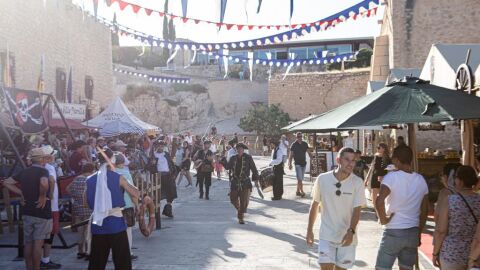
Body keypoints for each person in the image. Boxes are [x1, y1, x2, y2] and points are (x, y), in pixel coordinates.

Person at [306, 147, 366, 270]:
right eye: (347, 159)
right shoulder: (322, 179)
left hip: (348, 236)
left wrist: (351, 231)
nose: (350, 164)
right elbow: (314, 205)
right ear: (338, 160)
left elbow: (357, 210)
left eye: (353, 160)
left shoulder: (357, 182)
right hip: (327, 235)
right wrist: (309, 230)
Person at [375, 146, 429, 270]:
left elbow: (379, 201)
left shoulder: (392, 177)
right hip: (412, 231)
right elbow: (425, 211)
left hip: (394, 230)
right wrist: (419, 232)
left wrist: (383, 220)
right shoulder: (421, 179)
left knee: (382, 268)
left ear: (396, 160)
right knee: (406, 267)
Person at [86, 148, 139, 270]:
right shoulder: (119, 177)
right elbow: (135, 193)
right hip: (116, 225)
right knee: (122, 262)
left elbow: (86, 201)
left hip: (98, 224)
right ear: (112, 160)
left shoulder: (89, 180)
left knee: (96, 263)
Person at [3, 148, 52, 270]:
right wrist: (42, 195)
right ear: (41, 159)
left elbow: (6, 182)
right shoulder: (43, 171)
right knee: (38, 243)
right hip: (41, 211)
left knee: (28, 242)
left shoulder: (24, 171)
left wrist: (22, 193)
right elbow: (44, 182)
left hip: (26, 211)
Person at [432, 165, 480, 269]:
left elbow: (441, 231)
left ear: (460, 181)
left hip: (452, 254)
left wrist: (435, 253)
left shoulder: (450, 200)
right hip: (475, 254)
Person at [66, 163, 95, 260]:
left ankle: (80, 251)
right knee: (88, 231)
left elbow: (67, 189)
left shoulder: (77, 179)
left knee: (80, 231)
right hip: (88, 209)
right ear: (92, 170)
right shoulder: (91, 179)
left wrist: (75, 196)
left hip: (77, 209)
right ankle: (88, 251)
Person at [113, 153, 139, 261]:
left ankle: (112, 253)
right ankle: (128, 252)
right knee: (128, 229)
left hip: (113, 206)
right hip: (126, 204)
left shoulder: (109, 173)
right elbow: (132, 191)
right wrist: (136, 205)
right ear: (122, 163)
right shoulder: (125, 173)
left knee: (114, 231)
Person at [226, 143, 259, 224]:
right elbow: (227, 167)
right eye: (238, 149)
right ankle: (240, 209)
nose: (239, 150)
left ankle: (240, 218)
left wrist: (256, 180)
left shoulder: (248, 157)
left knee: (243, 201)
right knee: (232, 199)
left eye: (241, 149)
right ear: (236, 150)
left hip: (245, 182)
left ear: (243, 150)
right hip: (235, 181)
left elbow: (254, 169)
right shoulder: (233, 158)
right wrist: (222, 159)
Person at [40, 145, 62, 269]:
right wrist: (50, 194)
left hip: (42, 204)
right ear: (48, 157)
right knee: (50, 234)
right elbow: (52, 181)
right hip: (51, 206)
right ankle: (46, 260)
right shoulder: (49, 168)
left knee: (40, 234)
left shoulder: (38, 167)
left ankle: (41, 259)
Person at [153, 140, 177, 218]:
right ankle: (156, 212)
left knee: (171, 193)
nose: (161, 147)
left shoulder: (166, 154)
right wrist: (152, 164)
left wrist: (173, 173)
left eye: (162, 146)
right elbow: (150, 167)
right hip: (159, 176)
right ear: (156, 146)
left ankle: (168, 209)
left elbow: (171, 164)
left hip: (168, 175)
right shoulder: (153, 155)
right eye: (159, 146)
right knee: (158, 194)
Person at [366, 143, 391, 211]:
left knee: (381, 195)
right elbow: (371, 168)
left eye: (379, 147)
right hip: (374, 177)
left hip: (383, 178)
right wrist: (367, 179)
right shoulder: (375, 156)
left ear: (384, 149)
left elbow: (390, 169)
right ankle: (376, 210)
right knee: (373, 194)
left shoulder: (388, 158)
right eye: (377, 147)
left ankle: (381, 210)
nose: (377, 148)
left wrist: (385, 177)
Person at [288, 132, 312, 197]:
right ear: (296, 137)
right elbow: (290, 155)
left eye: (301, 136)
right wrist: (289, 164)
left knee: (300, 178)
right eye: (298, 137)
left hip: (303, 163)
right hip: (297, 164)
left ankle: (297, 191)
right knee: (300, 179)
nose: (300, 138)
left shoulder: (305, 144)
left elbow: (309, 152)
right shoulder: (294, 144)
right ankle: (302, 191)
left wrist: (312, 157)